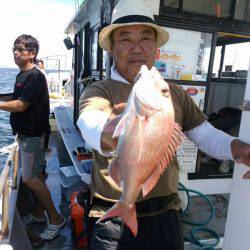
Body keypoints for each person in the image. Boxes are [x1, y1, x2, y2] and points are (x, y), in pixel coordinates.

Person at [77, 0, 250, 249]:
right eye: (125, 39)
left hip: (166, 216)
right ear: (112, 49)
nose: (137, 48)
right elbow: (89, 124)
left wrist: (242, 151)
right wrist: (120, 127)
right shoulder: (99, 90)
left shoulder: (173, 93)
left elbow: (205, 135)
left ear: (155, 48)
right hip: (113, 221)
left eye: (145, 38)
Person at [0, 34, 65, 241]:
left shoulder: (35, 76)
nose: (16, 53)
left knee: (30, 178)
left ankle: (55, 218)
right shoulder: (23, 74)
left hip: (33, 136)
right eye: (14, 49)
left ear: (32, 54)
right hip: (27, 135)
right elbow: (16, 96)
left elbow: (21, 105)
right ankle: (38, 214)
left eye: (20, 49)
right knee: (37, 175)